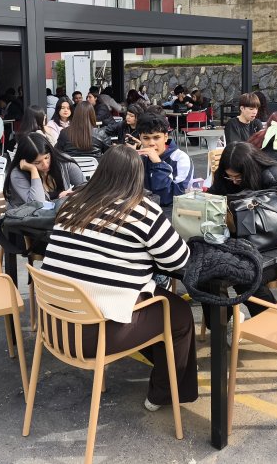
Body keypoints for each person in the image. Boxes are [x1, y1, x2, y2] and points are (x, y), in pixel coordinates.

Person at [40, 145, 197, 411]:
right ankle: (163, 394)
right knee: (179, 314)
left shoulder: (71, 204)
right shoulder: (142, 211)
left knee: (157, 310)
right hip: (93, 336)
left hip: (54, 327)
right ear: (138, 176)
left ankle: (163, 372)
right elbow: (180, 261)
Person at [207, 142, 277, 328]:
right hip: (243, 243)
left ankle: (271, 325)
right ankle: (222, 321)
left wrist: (242, 201)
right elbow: (213, 197)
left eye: (238, 177)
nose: (234, 181)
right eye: (229, 177)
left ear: (250, 169)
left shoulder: (275, 174)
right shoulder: (225, 177)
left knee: (243, 275)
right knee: (205, 271)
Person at [4, 133, 85, 208]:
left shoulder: (63, 162)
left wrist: (72, 193)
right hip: (28, 217)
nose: (45, 164)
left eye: (47, 157)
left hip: (58, 214)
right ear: (27, 162)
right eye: (37, 162)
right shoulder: (18, 174)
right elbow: (38, 204)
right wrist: (33, 171)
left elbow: (86, 188)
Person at [136, 113, 193, 206]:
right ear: (140, 138)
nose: (151, 143)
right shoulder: (139, 158)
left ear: (165, 137)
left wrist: (158, 164)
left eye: (156, 138)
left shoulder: (180, 158)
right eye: (146, 138)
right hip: (144, 208)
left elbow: (174, 197)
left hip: (172, 211)